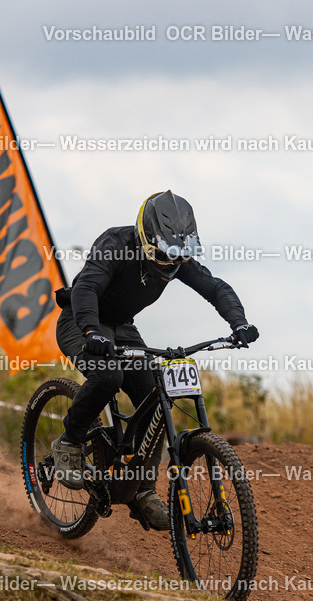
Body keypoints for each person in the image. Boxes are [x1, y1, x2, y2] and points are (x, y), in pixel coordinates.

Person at [52, 190, 259, 530]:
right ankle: (70, 442)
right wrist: (91, 333)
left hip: (121, 327)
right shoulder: (114, 244)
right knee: (109, 377)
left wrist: (239, 323)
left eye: (176, 257)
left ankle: (142, 490)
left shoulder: (176, 260)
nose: (169, 264)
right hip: (81, 321)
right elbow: (86, 289)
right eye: (163, 255)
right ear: (146, 238)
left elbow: (215, 288)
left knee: (155, 395)